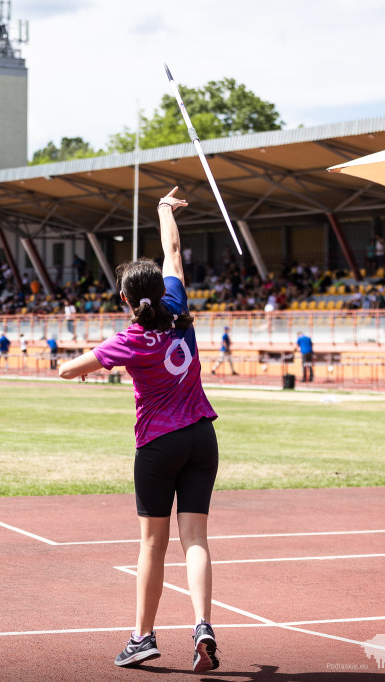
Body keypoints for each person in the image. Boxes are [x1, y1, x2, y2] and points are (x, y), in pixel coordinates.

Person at [58, 186, 220, 673]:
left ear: (126, 299)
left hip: (157, 445)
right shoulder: (177, 305)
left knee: (153, 544)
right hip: (202, 437)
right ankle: (203, 626)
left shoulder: (129, 340)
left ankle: (143, 636)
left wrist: (91, 356)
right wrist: (163, 210)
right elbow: (172, 251)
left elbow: (68, 371)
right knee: (196, 539)